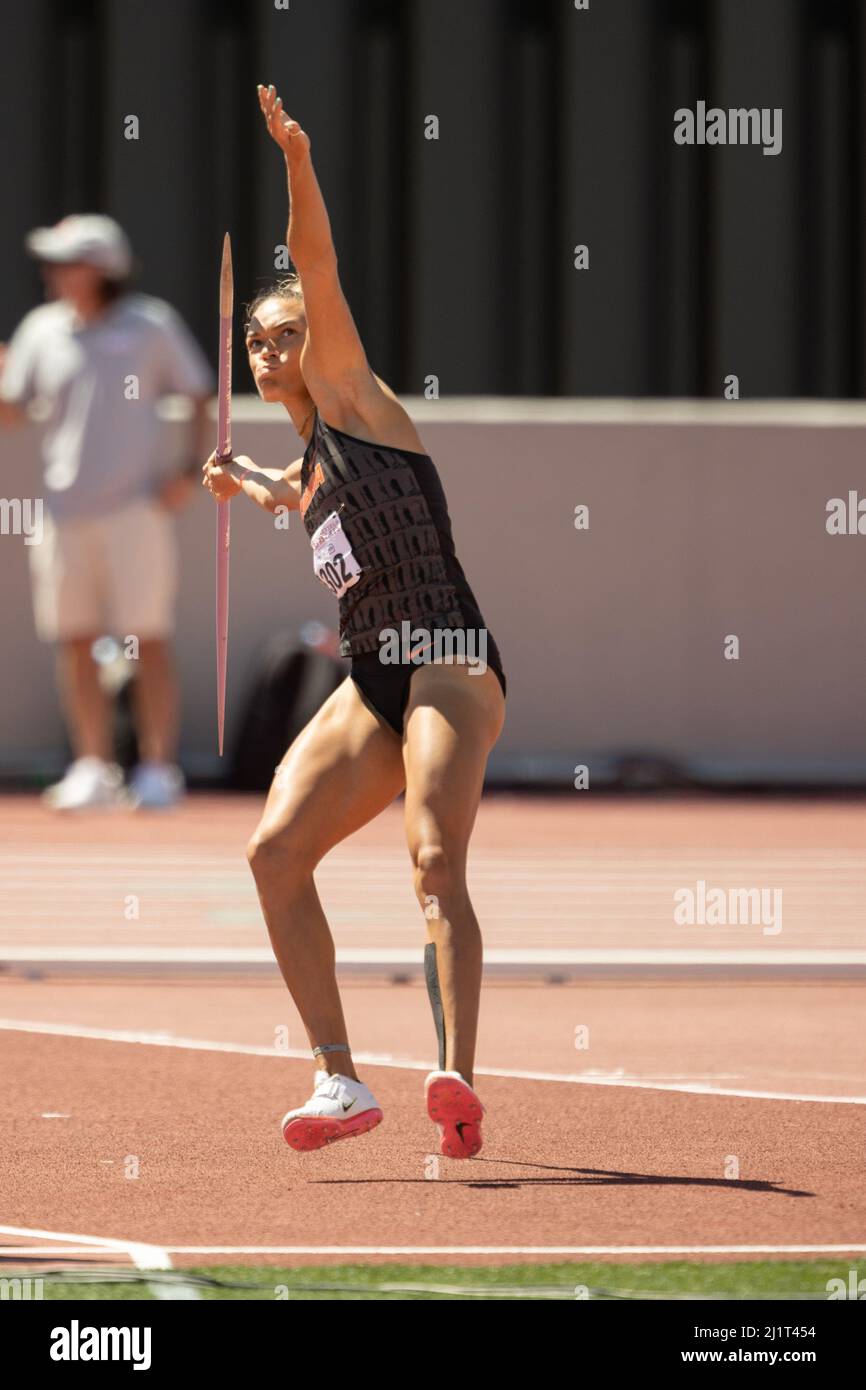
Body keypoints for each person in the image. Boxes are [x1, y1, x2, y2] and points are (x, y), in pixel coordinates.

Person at [202, 85, 507, 1159]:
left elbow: (312, 265)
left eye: (281, 335)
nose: (269, 351)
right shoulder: (311, 458)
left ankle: (455, 1077)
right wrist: (243, 479)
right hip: (371, 673)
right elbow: (298, 496)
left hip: (447, 657)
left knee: (431, 857)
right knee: (274, 851)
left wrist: (295, 159)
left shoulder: (353, 396)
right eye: (256, 342)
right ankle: (338, 1079)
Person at [0, 215, 214, 809]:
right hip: (61, 515)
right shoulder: (41, 330)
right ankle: (92, 767)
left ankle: (157, 770)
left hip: (134, 515)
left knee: (147, 640)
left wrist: (187, 472)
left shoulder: (151, 326)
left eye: (66, 262)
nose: (53, 274)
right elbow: (12, 410)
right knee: (74, 640)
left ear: (102, 269)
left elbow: (198, 390)